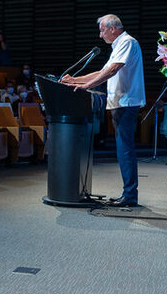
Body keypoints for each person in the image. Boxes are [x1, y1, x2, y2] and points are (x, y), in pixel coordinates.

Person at [61, 14, 145, 207]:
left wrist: (86, 85)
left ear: (113, 28)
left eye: (102, 30)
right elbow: (102, 72)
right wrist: (75, 80)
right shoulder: (119, 45)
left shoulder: (128, 42)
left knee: (125, 150)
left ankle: (130, 195)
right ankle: (128, 193)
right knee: (123, 149)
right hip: (120, 103)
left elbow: (113, 70)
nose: (100, 35)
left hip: (126, 102)